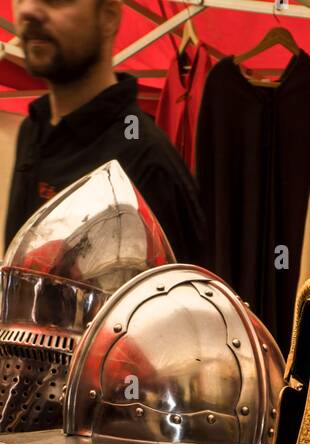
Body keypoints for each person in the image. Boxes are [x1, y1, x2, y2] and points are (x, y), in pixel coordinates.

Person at [5, 0, 206, 261]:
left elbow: (187, 296)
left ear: (109, 16)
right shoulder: (31, 130)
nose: (28, 10)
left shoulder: (149, 162)